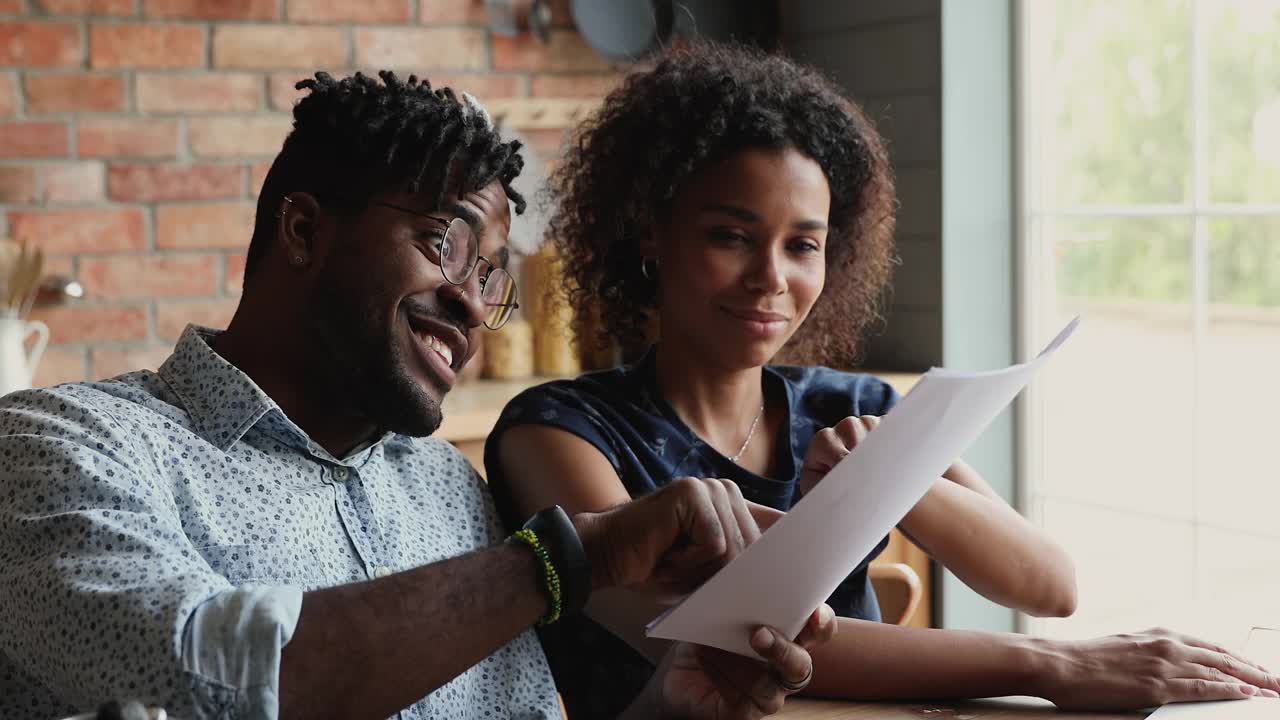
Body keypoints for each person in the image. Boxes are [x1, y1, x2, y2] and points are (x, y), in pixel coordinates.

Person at [0, 70, 837, 720]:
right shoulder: (61, 447)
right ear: (303, 231)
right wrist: (573, 559)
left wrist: (668, 711)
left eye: (491, 277)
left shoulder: (444, 488)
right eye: (444, 243)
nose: (474, 303)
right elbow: (222, 683)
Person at [484, 43, 1280, 716]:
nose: (772, 278)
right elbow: (710, 635)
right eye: (731, 235)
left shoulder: (852, 406)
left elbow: (1051, 586)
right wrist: (1053, 668)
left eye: (804, 244)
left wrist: (893, 482)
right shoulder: (556, 430)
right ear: (649, 238)